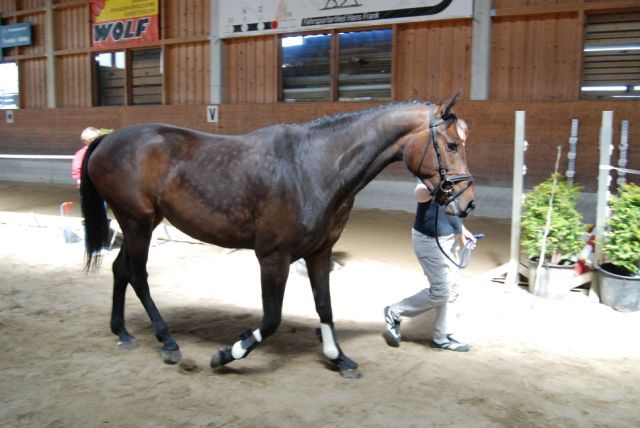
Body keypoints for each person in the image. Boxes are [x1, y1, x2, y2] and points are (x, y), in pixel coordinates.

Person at [383, 181, 477, 352]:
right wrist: (437, 186)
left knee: (452, 289)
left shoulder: (458, 173)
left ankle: (442, 337)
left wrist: (462, 231)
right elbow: (419, 194)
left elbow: (453, 206)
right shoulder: (432, 171)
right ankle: (394, 312)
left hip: (449, 238)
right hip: (429, 240)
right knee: (441, 291)